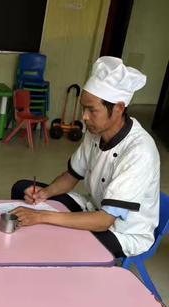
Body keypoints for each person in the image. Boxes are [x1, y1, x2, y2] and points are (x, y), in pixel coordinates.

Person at [10, 57, 160, 258]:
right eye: (83, 108)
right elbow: (72, 175)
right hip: (93, 207)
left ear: (118, 108)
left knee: (58, 238)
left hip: (121, 231)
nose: (84, 117)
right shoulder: (95, 132)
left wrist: (42, 216)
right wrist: (44, 194)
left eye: (92, 110)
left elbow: (104, 221)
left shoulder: (139, 151)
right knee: (22, 187)